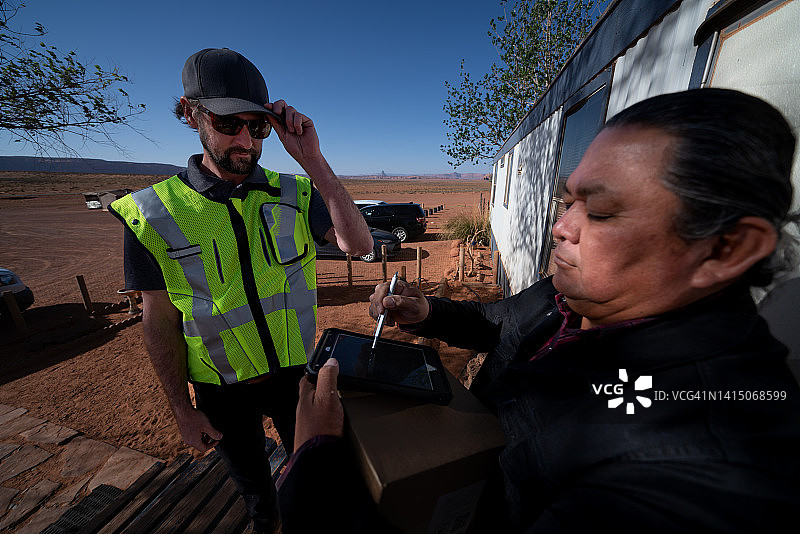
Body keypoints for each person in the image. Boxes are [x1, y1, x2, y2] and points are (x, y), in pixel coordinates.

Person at [276, 88, 800, 533]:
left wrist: (315, 464)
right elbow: (498, 323)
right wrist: (427, 312)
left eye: (600, 211)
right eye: (565, 202)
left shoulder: (696, 473)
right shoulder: (581, 295)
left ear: (725, 248)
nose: (562, 226)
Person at [108, 48, 373, 533]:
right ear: (192, 114)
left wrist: (314, 161)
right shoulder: (151, 213)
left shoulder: (293, 191)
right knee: (255, 490)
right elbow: (159, 319)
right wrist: (182, 410)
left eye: (260, 126)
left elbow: (358, 244)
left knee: (316, 476)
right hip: (219, 388)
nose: (246, 140)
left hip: (296, 375)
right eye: (230, 123)